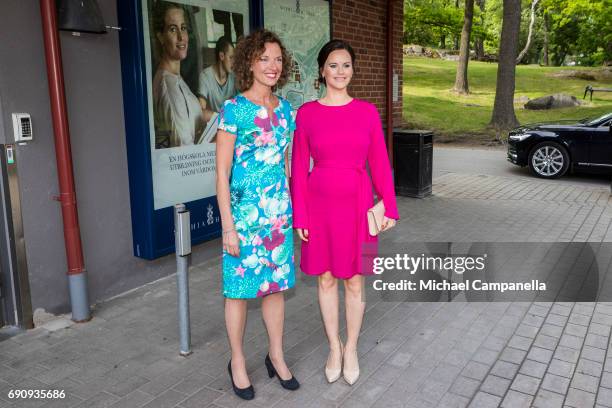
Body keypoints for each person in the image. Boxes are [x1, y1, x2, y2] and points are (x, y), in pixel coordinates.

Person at [290, 39, 399, 386]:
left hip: (358, 205)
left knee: (355, 280)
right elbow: (297, 168)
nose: (340, 71)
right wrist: (301, 217)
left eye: (346, 65)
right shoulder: (306, 113)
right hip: (319, 206)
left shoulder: (367, 112)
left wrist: (390, 205)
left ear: (353, 69)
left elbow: (380, 162)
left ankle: (351, 347)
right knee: (324, 278)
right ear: (321, 70)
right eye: (333, 65)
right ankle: (333, 347)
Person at [216, 29, 299, 400]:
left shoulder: (287, 111)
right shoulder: (234, 109)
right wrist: (227, 227)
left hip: (279, 216)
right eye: (264, 58)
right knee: (238, 292)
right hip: (244, 219)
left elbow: (288, 165)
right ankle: (236, 360)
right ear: (249, 61)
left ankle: (276, 355)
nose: (272, 65)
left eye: (278, 59)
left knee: (275, 289)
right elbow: (221, 172)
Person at [152, 2, 207, 148]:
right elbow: (183, 150)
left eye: (183, 28)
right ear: (161, 37)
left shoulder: (175, 77)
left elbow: (190, 114)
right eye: (172, 29)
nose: (181, 37)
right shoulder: (168, 86)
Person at [198, 36, 237, 113]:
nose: (233, 62)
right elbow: (201, 110)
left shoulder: (234, 76)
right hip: (212, 123)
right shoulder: (205, 76)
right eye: (231, 57)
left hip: (231, 123)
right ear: (221, 56)